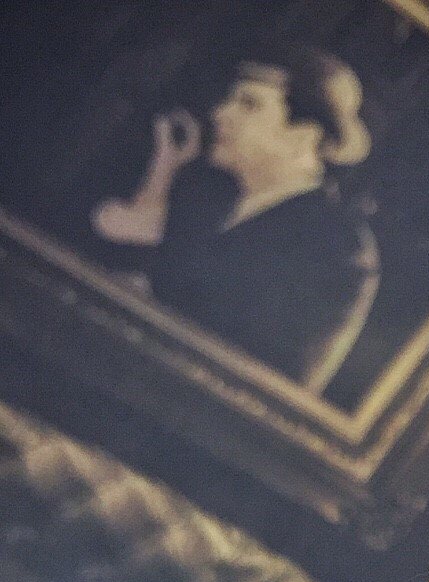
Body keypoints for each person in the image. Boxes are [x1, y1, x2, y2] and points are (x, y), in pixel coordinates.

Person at [92, 49, 380, 390]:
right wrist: (165, 167)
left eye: (249, 104)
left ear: (304, 136)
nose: (220, 113)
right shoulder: (207, 199)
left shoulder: (339, 250)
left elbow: (256, 378)